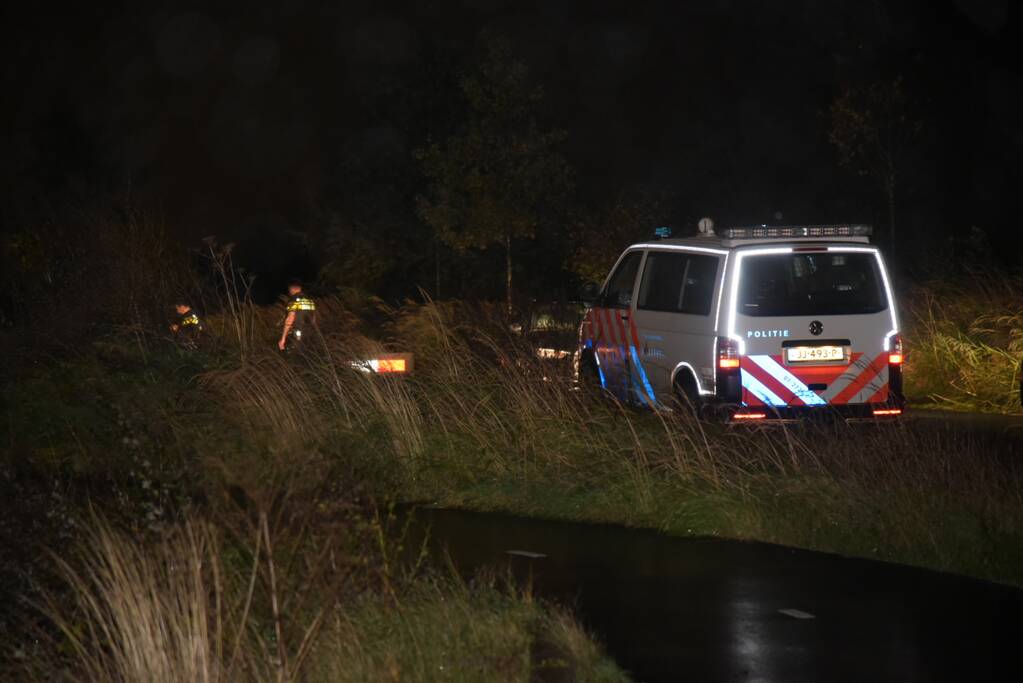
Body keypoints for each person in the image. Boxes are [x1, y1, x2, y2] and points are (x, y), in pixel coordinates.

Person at [278, 279, 316, 351]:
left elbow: (290, 319)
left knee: (294, 354)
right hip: (310, 334)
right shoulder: (310, 300)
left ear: (292, 289)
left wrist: (283, 339)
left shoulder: (293, 300)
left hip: (297, 334)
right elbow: (313, 318)